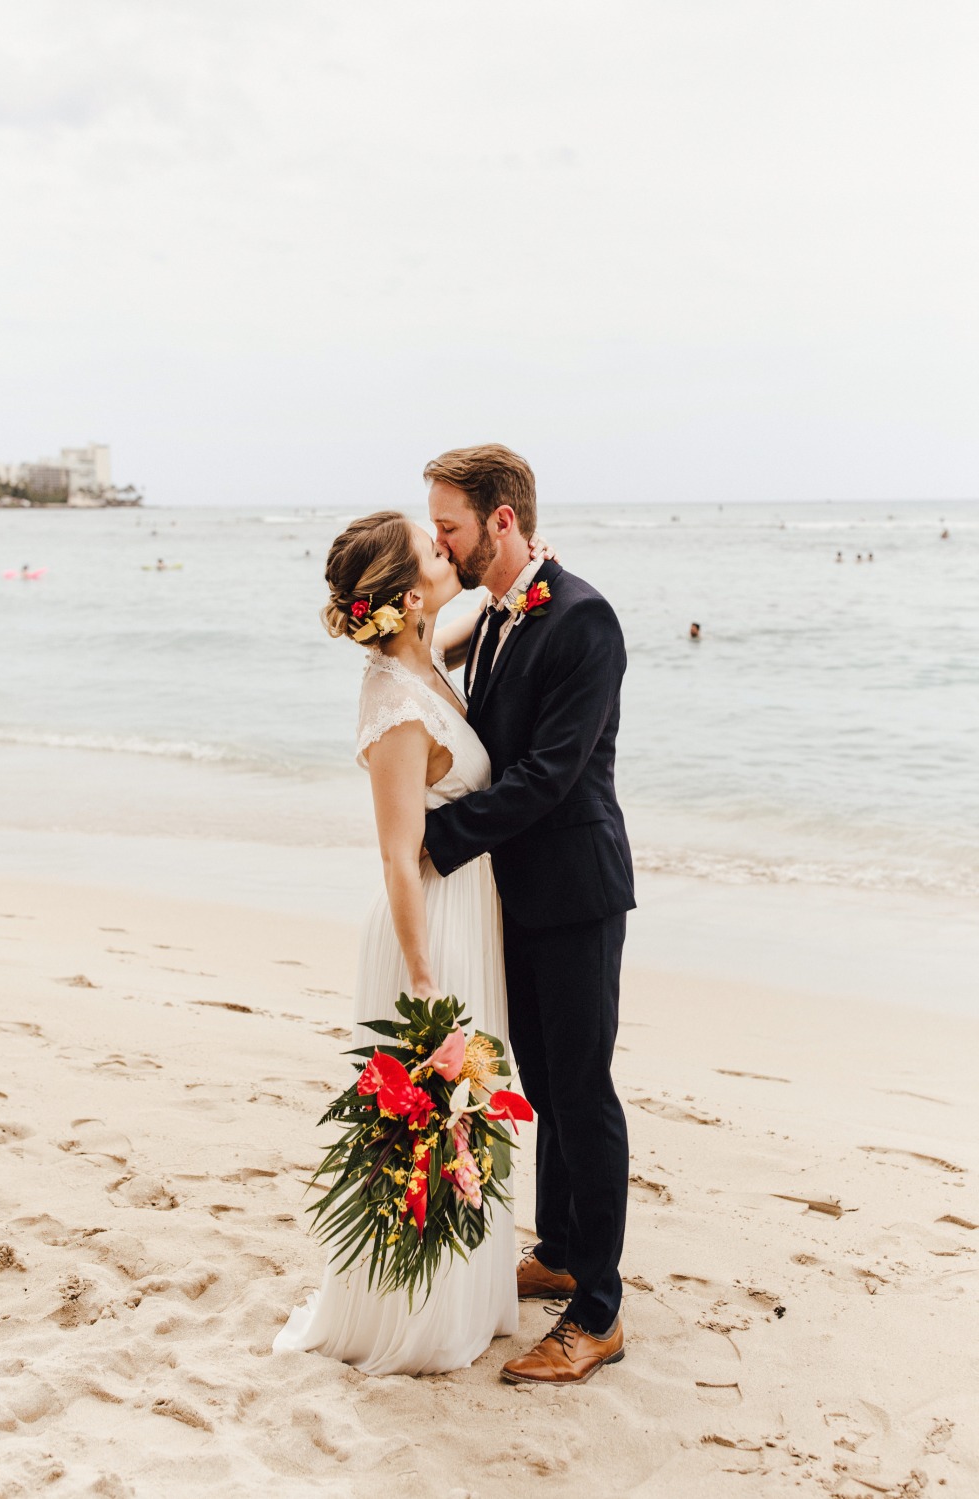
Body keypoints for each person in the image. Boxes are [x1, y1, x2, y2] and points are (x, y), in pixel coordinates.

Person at [273, 510, 545, 1374]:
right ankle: (417, 1317)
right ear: (403, 594)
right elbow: (396, 856)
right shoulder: (393, 705)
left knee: (473, 1114)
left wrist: (524, 579)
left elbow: (470, 617)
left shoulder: (424, 657)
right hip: (426, 933)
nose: (448, 549)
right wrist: (426, 985)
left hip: (468, 915)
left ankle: (468, 1296)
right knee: (435, 1123)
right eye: (435, 549)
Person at [425, 444, 634, 1387]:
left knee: (583, 1089)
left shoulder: (585, 619)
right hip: (521, 891)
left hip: (578, 889)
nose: (441, 540)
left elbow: (550, 775)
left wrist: (439, 839)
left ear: (501, 521)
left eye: (451, 527)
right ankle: (561, 1248)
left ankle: (598, 1311)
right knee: (542, 1079)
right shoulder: (501, 613)